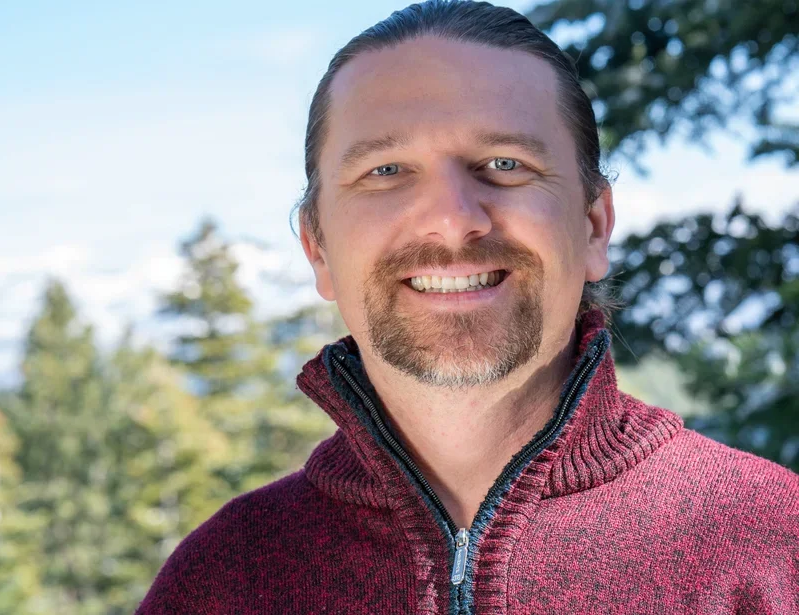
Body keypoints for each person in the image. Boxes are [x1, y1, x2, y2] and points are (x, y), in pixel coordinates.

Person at [137, 1, 799, 613]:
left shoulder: (771, 547)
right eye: (386, 171)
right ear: (318, 249)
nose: (453, 221)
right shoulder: (220, 580)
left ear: (593, 227)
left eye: (505, 163)